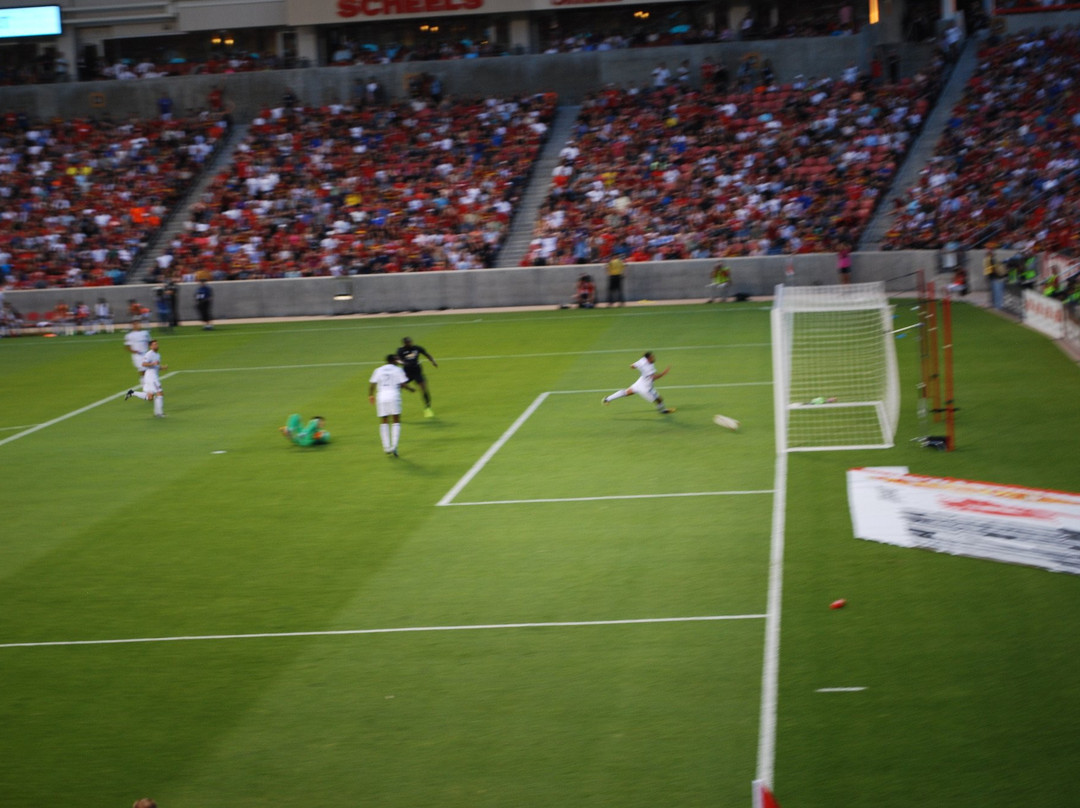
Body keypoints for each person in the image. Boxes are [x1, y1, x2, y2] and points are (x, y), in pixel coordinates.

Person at [601, 351, 675, 415]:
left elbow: (632, 366)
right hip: (646, 389)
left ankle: (606, 399)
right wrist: (663, 373)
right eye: (652, 357)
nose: (654, 358)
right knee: (659, 399)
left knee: (626, 392)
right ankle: (662, 411)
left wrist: (635, 367)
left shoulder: (642, 360)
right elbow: (654, 377)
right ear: (648, 359)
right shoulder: (648, 367)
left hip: (640, 383)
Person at [368, 354, 414, 456]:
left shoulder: (378, 370)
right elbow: (403, 384)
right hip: (394, 396)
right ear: (394, 360)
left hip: (381, 397)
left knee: (384, 421)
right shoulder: (398, 370)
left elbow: (372, 384)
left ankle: (386, 447)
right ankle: (394, 446)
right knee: (396, 421)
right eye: (397, 359)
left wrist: (370, 395)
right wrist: (410, 389)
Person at [396, 337, 438, 418]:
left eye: (410, 342)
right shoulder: (400, 350)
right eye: (407, 342)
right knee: (397, 388)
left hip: (417, 373)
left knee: (424, 388)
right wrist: (403, 363)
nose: (409, 343)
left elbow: (427, 354)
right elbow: (397, 359)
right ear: (404, 343)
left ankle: (427, 408)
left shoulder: (417, 348)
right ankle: (396, 410)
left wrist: (433, 361)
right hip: (406, 374)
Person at [125, 339, 167, 417]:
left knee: (150, 397)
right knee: (160, 393)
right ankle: (159, 413)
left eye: (157, 344)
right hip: (151, 377)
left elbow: (156, 366)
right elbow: (143, 364)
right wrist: (153, 363)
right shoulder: (149, 354)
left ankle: (132, 393)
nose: (156, 346)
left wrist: (162, 367)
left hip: (152, 377)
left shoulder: (158, 355)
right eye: (154, 344)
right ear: (150, 346)